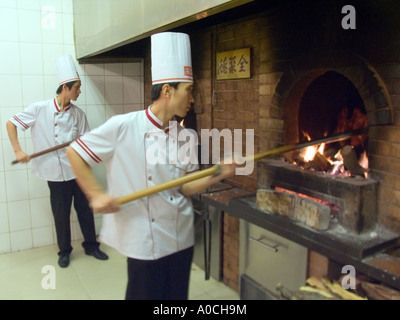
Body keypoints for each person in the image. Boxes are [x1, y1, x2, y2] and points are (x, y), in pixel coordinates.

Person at [66, 32, 236, 300]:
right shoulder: (124, 126)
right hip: (145, 242)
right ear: (167, 91)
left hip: (180, 236)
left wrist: (218, 173)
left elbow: (185, 187)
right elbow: (75, 153)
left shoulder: (185, 136)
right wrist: (96, 194)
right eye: (189, 91)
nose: (193, 99)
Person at [6, 55, 108, 268]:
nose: (79, 91)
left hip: (78, 172)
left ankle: (91, 245)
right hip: (53, 172)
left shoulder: (78, 114)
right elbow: (11, 123)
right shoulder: (39, 109)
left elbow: (86, 142)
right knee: (61, 214)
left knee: (85, 210)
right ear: (65, 87)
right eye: (77, 87)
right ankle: (64, 251)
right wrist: (18, 150)